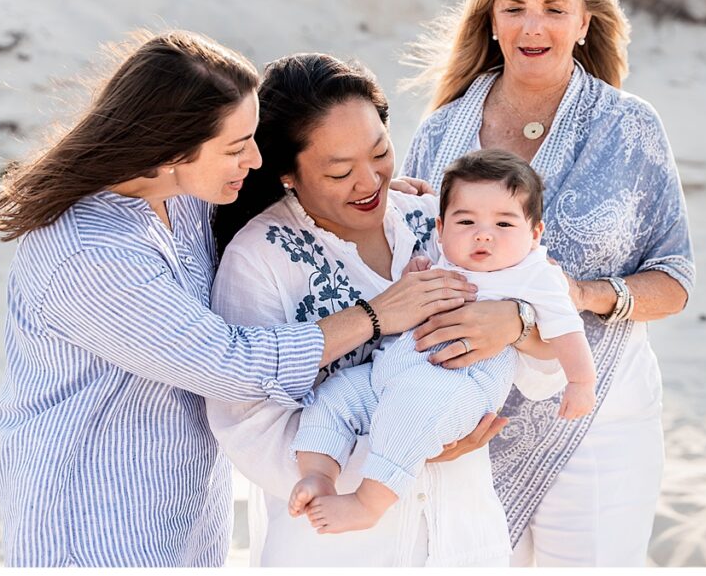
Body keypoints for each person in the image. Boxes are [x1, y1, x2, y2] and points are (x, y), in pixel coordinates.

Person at [0, 30, 475, 567]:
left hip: (186, 510)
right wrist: (377, 316)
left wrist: (371, 187)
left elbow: (293, 190)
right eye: (237, 147)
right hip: (95, 519)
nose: (256, 158)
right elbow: (233, 364)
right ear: (170, 150)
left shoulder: (182, 198)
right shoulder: (90, 255)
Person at [402, 0, 696, 566]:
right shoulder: (440, 134)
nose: (534, 26)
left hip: (596, 420)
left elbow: (674, 278)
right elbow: (410, 277)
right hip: (467, 420)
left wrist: (584, 294)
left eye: (554, 8)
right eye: (515, 7)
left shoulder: (628, 129)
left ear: (585, 21)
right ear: (492, 19)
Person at [208, 53, 564, 567]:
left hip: (461, 533)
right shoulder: (260, 257)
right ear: (287, 173)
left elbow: (547, 368)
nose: (370, 181)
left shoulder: (440, 220)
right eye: (339, 171)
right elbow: (248, 424)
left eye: (379, 153)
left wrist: (517, 324)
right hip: (340, 550)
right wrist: (400, 453)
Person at [288, 148, 595, 534]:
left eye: (504, 224)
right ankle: (318, 473)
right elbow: (411, 295)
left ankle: (369, 502)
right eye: (465, 221)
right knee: (336, 395)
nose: (483, 234)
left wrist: (582, 382)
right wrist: (416, 273)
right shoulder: (445, 259)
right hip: (388, 370)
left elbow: (567, 329)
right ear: (441, 227)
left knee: (413, 411)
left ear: (534, 234)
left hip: (459, 382)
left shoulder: (535, 275)